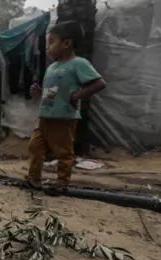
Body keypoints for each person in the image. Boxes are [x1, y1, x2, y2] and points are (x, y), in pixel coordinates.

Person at [20, 21, 106, 195]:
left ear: (66, 43)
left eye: (51, 42)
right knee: (34, 147)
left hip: (64, 117)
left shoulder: (78, 64)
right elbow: (53, 92)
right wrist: (40, 91)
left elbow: (99, 83)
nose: (48, 47)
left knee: (63, 152)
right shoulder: (51, 68)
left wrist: (77, 96)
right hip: (45, 116)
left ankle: (61, 183)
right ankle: (34, 179)